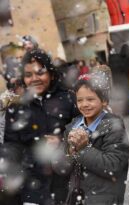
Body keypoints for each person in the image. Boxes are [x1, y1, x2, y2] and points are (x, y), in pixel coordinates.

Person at [1, 49, 79, 205]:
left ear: (51, 73)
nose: (34, 79)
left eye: (40, 72)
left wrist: (62, 140)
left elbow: (84, 131)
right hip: (33, 186)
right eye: (28, 75)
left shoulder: (69, 99)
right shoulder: (16, 108)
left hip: (68, 181)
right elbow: (12, 145)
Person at [52, 71, 129, 205]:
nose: (84, 104)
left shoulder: (113, 127)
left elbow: (113, 166)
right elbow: (60, 168)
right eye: (80, 100)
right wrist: (70, 151)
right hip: (76, 198)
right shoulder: (73, 127)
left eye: (90, 99)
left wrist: (82, 149)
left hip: (104, 199)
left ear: (104, 101)